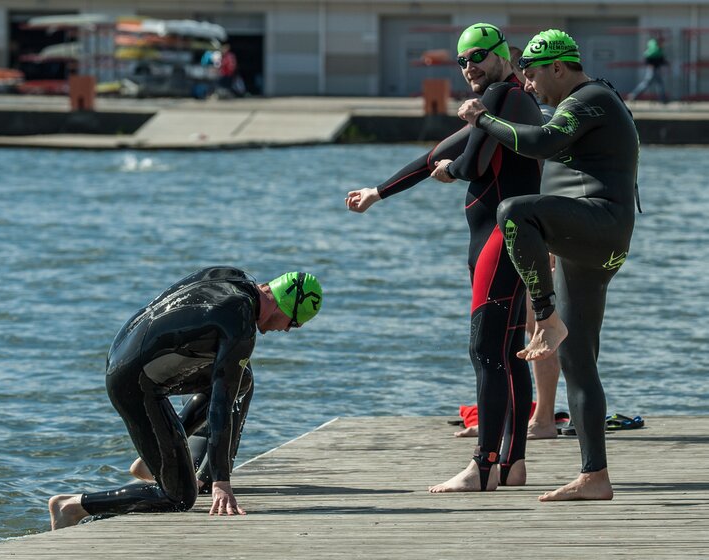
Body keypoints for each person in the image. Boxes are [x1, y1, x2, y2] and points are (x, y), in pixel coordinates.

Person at [346, 23, 543, 492]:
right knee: (509, 353)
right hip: (510, 240)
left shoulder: (501, 98)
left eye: (477, 56)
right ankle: (512, 465)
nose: (469, 66)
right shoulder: (505, 102)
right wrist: (378, 192)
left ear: (502, 55)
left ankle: (482, 467)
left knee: (485, 352)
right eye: (462, 60)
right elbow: (435, 154)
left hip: (499, 241)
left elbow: (467, 164)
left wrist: (449, 172)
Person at [457, 29, 639, 501]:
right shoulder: (575, 103)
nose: (529, 84)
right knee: (579, 362)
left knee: (514, 211)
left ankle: (544, 316)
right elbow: (548, 143)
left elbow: (537, 143)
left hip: (600, 226)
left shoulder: (590, 98)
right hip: (589, 239)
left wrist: (484, 118)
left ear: (559, 67)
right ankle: (595, 476)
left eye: (534, 75)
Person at [48, 266, 323, 529]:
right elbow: (220, 407)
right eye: (294, 323)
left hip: (123, 355)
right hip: (134, 386)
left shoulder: (234, 278)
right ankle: (73, 506)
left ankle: (158, 457)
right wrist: (222, 483)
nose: (286, 330)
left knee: (243, 379)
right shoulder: (241, 327)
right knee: (178, 497)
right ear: (285, 306)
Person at [627, 37, 668, 103]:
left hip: (653, 69)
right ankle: (633, 95)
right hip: (653, 70)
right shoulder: (656, 51)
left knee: (654, 84)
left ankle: (633, 95)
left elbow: (659, 60)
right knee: (650, 84)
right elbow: (660, 61)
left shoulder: (656, 50)